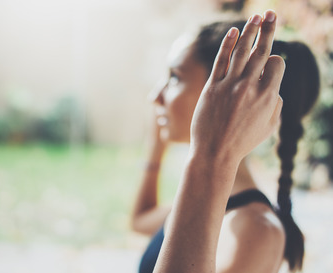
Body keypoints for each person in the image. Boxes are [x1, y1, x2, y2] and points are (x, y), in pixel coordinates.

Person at [131, 10, 320, 273]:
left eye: (175, 77)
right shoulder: (209, 194)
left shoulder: (257, 231)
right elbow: (140, 221)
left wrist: (209, 156)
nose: (156, 96)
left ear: (231, 91)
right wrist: (156, 144)